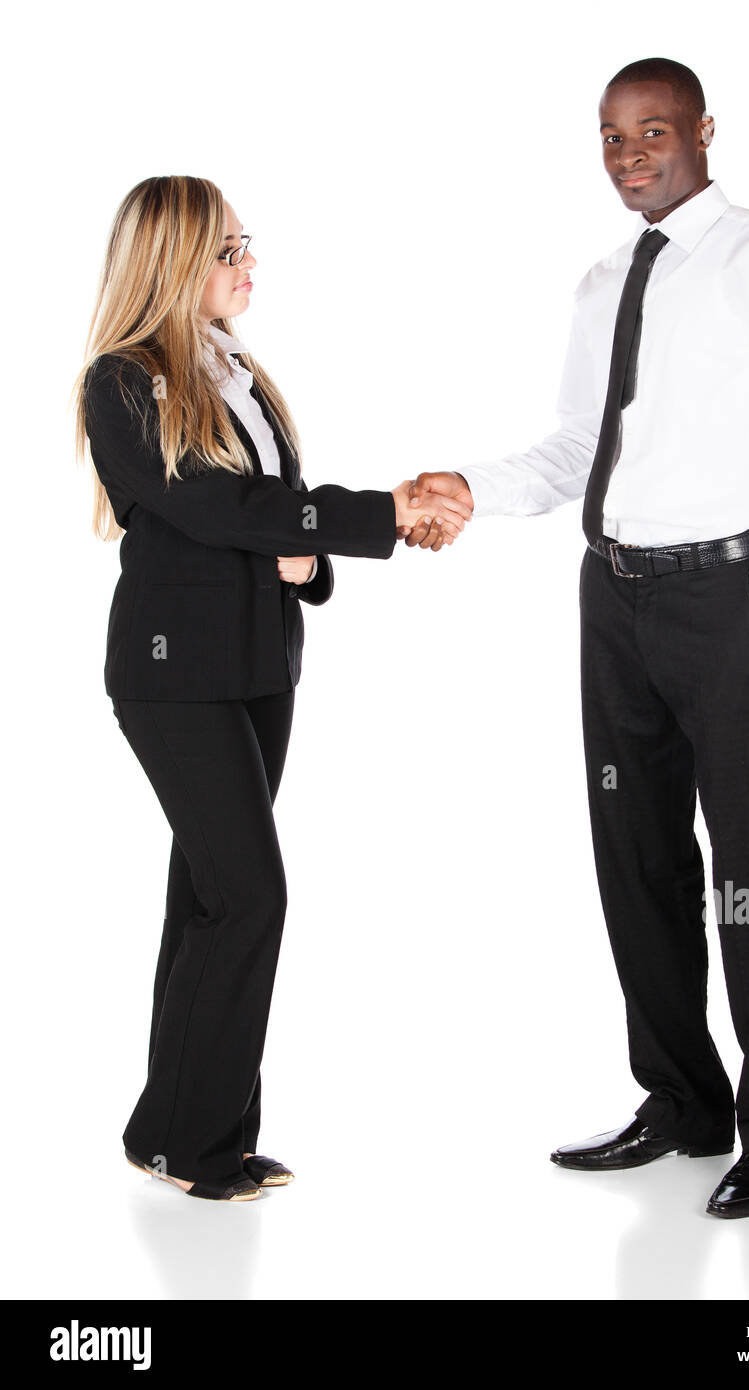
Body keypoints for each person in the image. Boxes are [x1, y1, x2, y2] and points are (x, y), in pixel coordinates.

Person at [402, 56, 749, 1219]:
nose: (630, 153)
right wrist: (467, 486)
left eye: (652, 130)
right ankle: (683, 1101)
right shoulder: (603, 278)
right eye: (610, 136)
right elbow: (571, 450)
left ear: (704, 129)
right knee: (637, 859)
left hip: (723, 602)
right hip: (612, 599)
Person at [74, 175, 470, 1202]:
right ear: (170, 263)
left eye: (246, 242)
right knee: (252, 895)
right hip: (174, 678)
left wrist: (313, 559)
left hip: (258, 668)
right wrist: (380, 516)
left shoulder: (237, 369)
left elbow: (270, 516)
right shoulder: (119, 381)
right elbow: (212, 507)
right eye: (227, 249)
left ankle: (177, 1127)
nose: (248, 265)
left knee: (210, 896)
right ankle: (195, 1143)